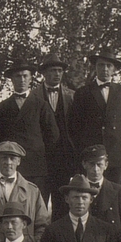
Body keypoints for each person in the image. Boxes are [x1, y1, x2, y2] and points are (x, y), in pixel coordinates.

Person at [69, 48, 121, 184]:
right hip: (91, 153)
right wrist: (84, 148)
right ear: (95, 67)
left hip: (115, 153)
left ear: (114, 69)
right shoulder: (83, 92)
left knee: (114, 189)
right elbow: (74, 125)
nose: (105, 69)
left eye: (108, 66)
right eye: (101, 65)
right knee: (90, 189)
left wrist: (118, 139)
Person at [0, 57, 59, 197]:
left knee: (36, 203)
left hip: (37, 167)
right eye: (18, 76)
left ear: (31, 78)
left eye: (25, 76)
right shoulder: (3, 106)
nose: (22, 80)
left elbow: (52, 137)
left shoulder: (41, 105)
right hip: (12, 166)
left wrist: (44, 160)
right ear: (12, 79)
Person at [33, 53, 76, 219]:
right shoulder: (33, 96)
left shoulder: (71, 96)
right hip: (41, 159)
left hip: (63, 159)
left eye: (60, 70)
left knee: (62, 204)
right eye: (53, 70)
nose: (57, 74)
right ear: (44, 73)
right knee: (39, 203)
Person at [79, 144, 121, 230]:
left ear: (106, 165)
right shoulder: (75, 190)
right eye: (92, 164)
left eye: (99, 164)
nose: (95, 169)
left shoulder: (118, 191)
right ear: (84, 164)